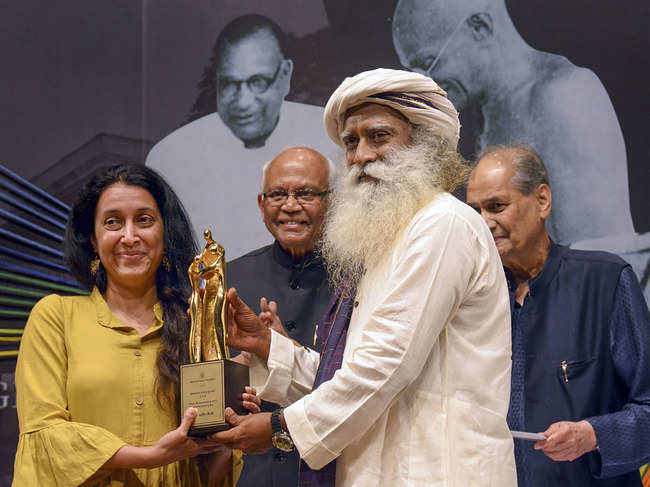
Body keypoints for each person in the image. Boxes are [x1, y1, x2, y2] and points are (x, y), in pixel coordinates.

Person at [211, 68, 517, 486]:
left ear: (424, 144)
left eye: (379, 136)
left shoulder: (442, 224)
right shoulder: (385, 242)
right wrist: (269, 346)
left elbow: (385, 366)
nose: (361, 155)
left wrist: (280, 429)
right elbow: (347, 375)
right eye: (351, 141)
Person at [12, 165, 260, 486]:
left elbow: (210, 475)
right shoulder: (55, 317)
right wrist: (150, 456)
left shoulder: (195, 327)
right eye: (113, 222)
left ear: (165, 236)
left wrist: (227, 433)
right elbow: (44, 435)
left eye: (144, 220)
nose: (129, 237)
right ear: (94, 239)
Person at [466, 145, 650, 487]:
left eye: (496, 207)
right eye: (474, 211)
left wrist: (593, 435)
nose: (483, 223)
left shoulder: (605, 281)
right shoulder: (470, 300)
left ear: (542, 201)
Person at [391, 0, 633, 248]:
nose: (428, 84)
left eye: (430, 62)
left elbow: (601, 261)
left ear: (480, 28)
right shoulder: (478, 111)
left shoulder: (564, 95)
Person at [146, 14, 336, 259]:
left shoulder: (329, 136)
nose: (243, 102)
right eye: (230, 85)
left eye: (258, 82)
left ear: (286, 75)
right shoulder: (172, 156)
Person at [229, 146, 335, 487]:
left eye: (305, 194)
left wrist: (277, 348)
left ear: (332, 203)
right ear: (262, 206)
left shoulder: (360, 280)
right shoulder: (230, 280)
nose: (290, 206)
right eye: (278, 194)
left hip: (331, 473)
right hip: (250, 474)